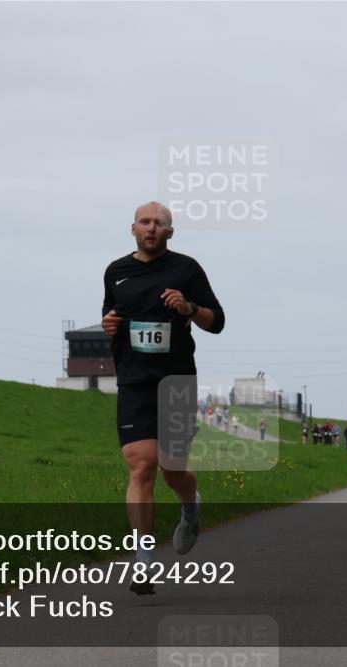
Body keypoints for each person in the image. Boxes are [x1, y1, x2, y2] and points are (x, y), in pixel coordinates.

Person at [102, 201, 225, 595]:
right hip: (134, 381)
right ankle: (143, 561)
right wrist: (108, 323)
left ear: (170, 232)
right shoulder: (116, 272)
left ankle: (190, 509)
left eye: (159, 223)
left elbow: (217, 321)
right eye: (145, 222)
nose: (151, 228)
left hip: (176, 381)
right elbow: (112, 316)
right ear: (132, 228)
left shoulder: (186, 269)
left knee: (172, 469)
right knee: (141, 467)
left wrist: (189, 308)